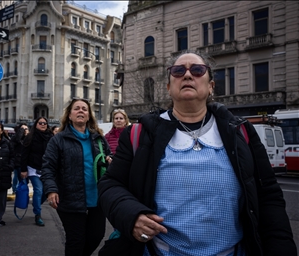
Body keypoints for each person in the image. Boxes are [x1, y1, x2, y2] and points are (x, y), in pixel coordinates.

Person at [98, 51, 297, 256]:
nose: (187, 75)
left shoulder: (241, 132)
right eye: (177, 71)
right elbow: (110, 185)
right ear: (168, 87)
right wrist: (132, 216)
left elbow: (269, 197)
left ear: (211, 86)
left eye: (197, 70)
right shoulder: (139, 134)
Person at [41, 99, 111, 255]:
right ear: (70, 115)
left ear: (89, 116)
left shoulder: (98, 138)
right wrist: (51, 190)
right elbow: (47, 167)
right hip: (70, 199)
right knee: (76, 240)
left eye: (85, 109)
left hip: (97, 199)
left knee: (96, 236)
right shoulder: (58, 140)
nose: (81, 111)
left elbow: (109, 157)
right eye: (77, 108)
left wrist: (109, 161)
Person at [20, 117, 53, 226]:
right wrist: (23, 169)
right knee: (38, 190)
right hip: (33, 168)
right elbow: (24, 154)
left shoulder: (50, 137)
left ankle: (36, 204)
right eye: (40, 123)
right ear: (36, 124)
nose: (43, 124)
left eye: (45, 123)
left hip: (46, 169)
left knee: (45, 192)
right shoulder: (30, 137)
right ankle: (38, 214)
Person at [10, 123, 29, 194]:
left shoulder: (28, 138)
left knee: (25, 181)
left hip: (28, 163)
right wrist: (21, 131)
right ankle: (16, 190)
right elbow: (17, 140)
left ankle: (21, 193)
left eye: (26, 129)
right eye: (22, 129)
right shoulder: (16, 138)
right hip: (18, 162)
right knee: (20, 178)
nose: (25, 130)